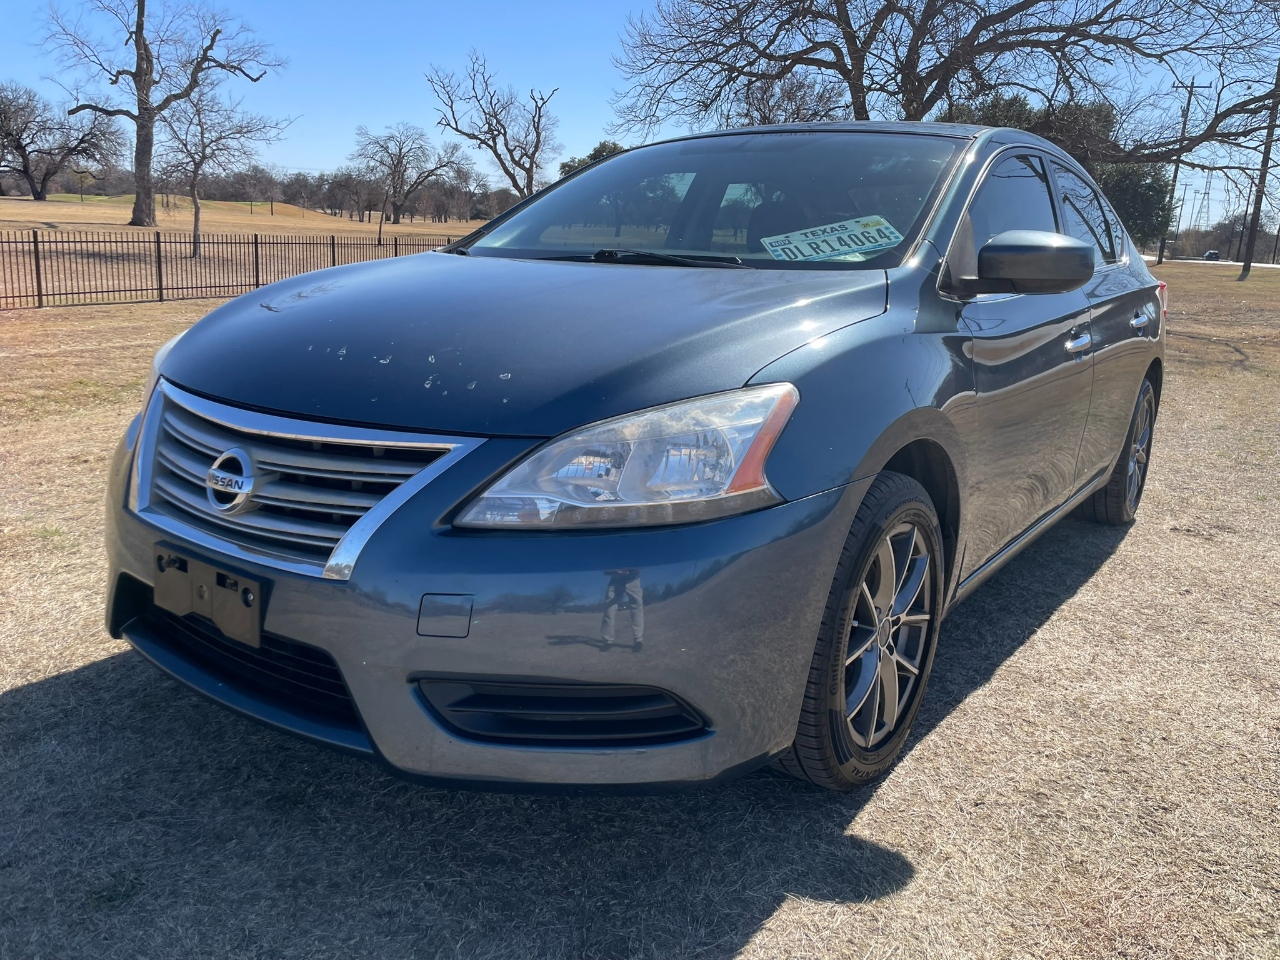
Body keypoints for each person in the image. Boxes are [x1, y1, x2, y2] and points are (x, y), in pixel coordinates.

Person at [601, 568, 643, 650]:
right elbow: (605, 570)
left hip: (633, 579)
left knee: (637, 607)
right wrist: (616, 570)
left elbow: (642, 562)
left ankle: (638, 639)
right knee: (609, 610)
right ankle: (607, 640)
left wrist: (630, 569)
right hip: (615, 581)